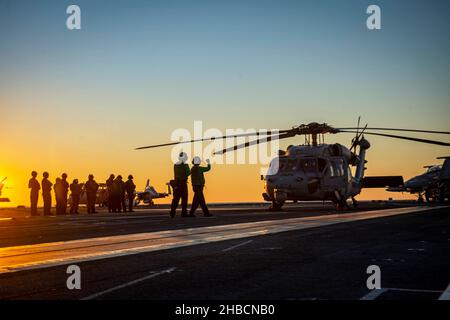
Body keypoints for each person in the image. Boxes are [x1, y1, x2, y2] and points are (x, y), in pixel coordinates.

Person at [170, 152, 190, 218]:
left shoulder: (175, 165)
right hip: (183, 184)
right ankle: (184, 213)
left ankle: (172, 211)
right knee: (184, 198)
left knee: (176, 199)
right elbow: (188, 173)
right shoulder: (185, 165)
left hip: (176, 184)